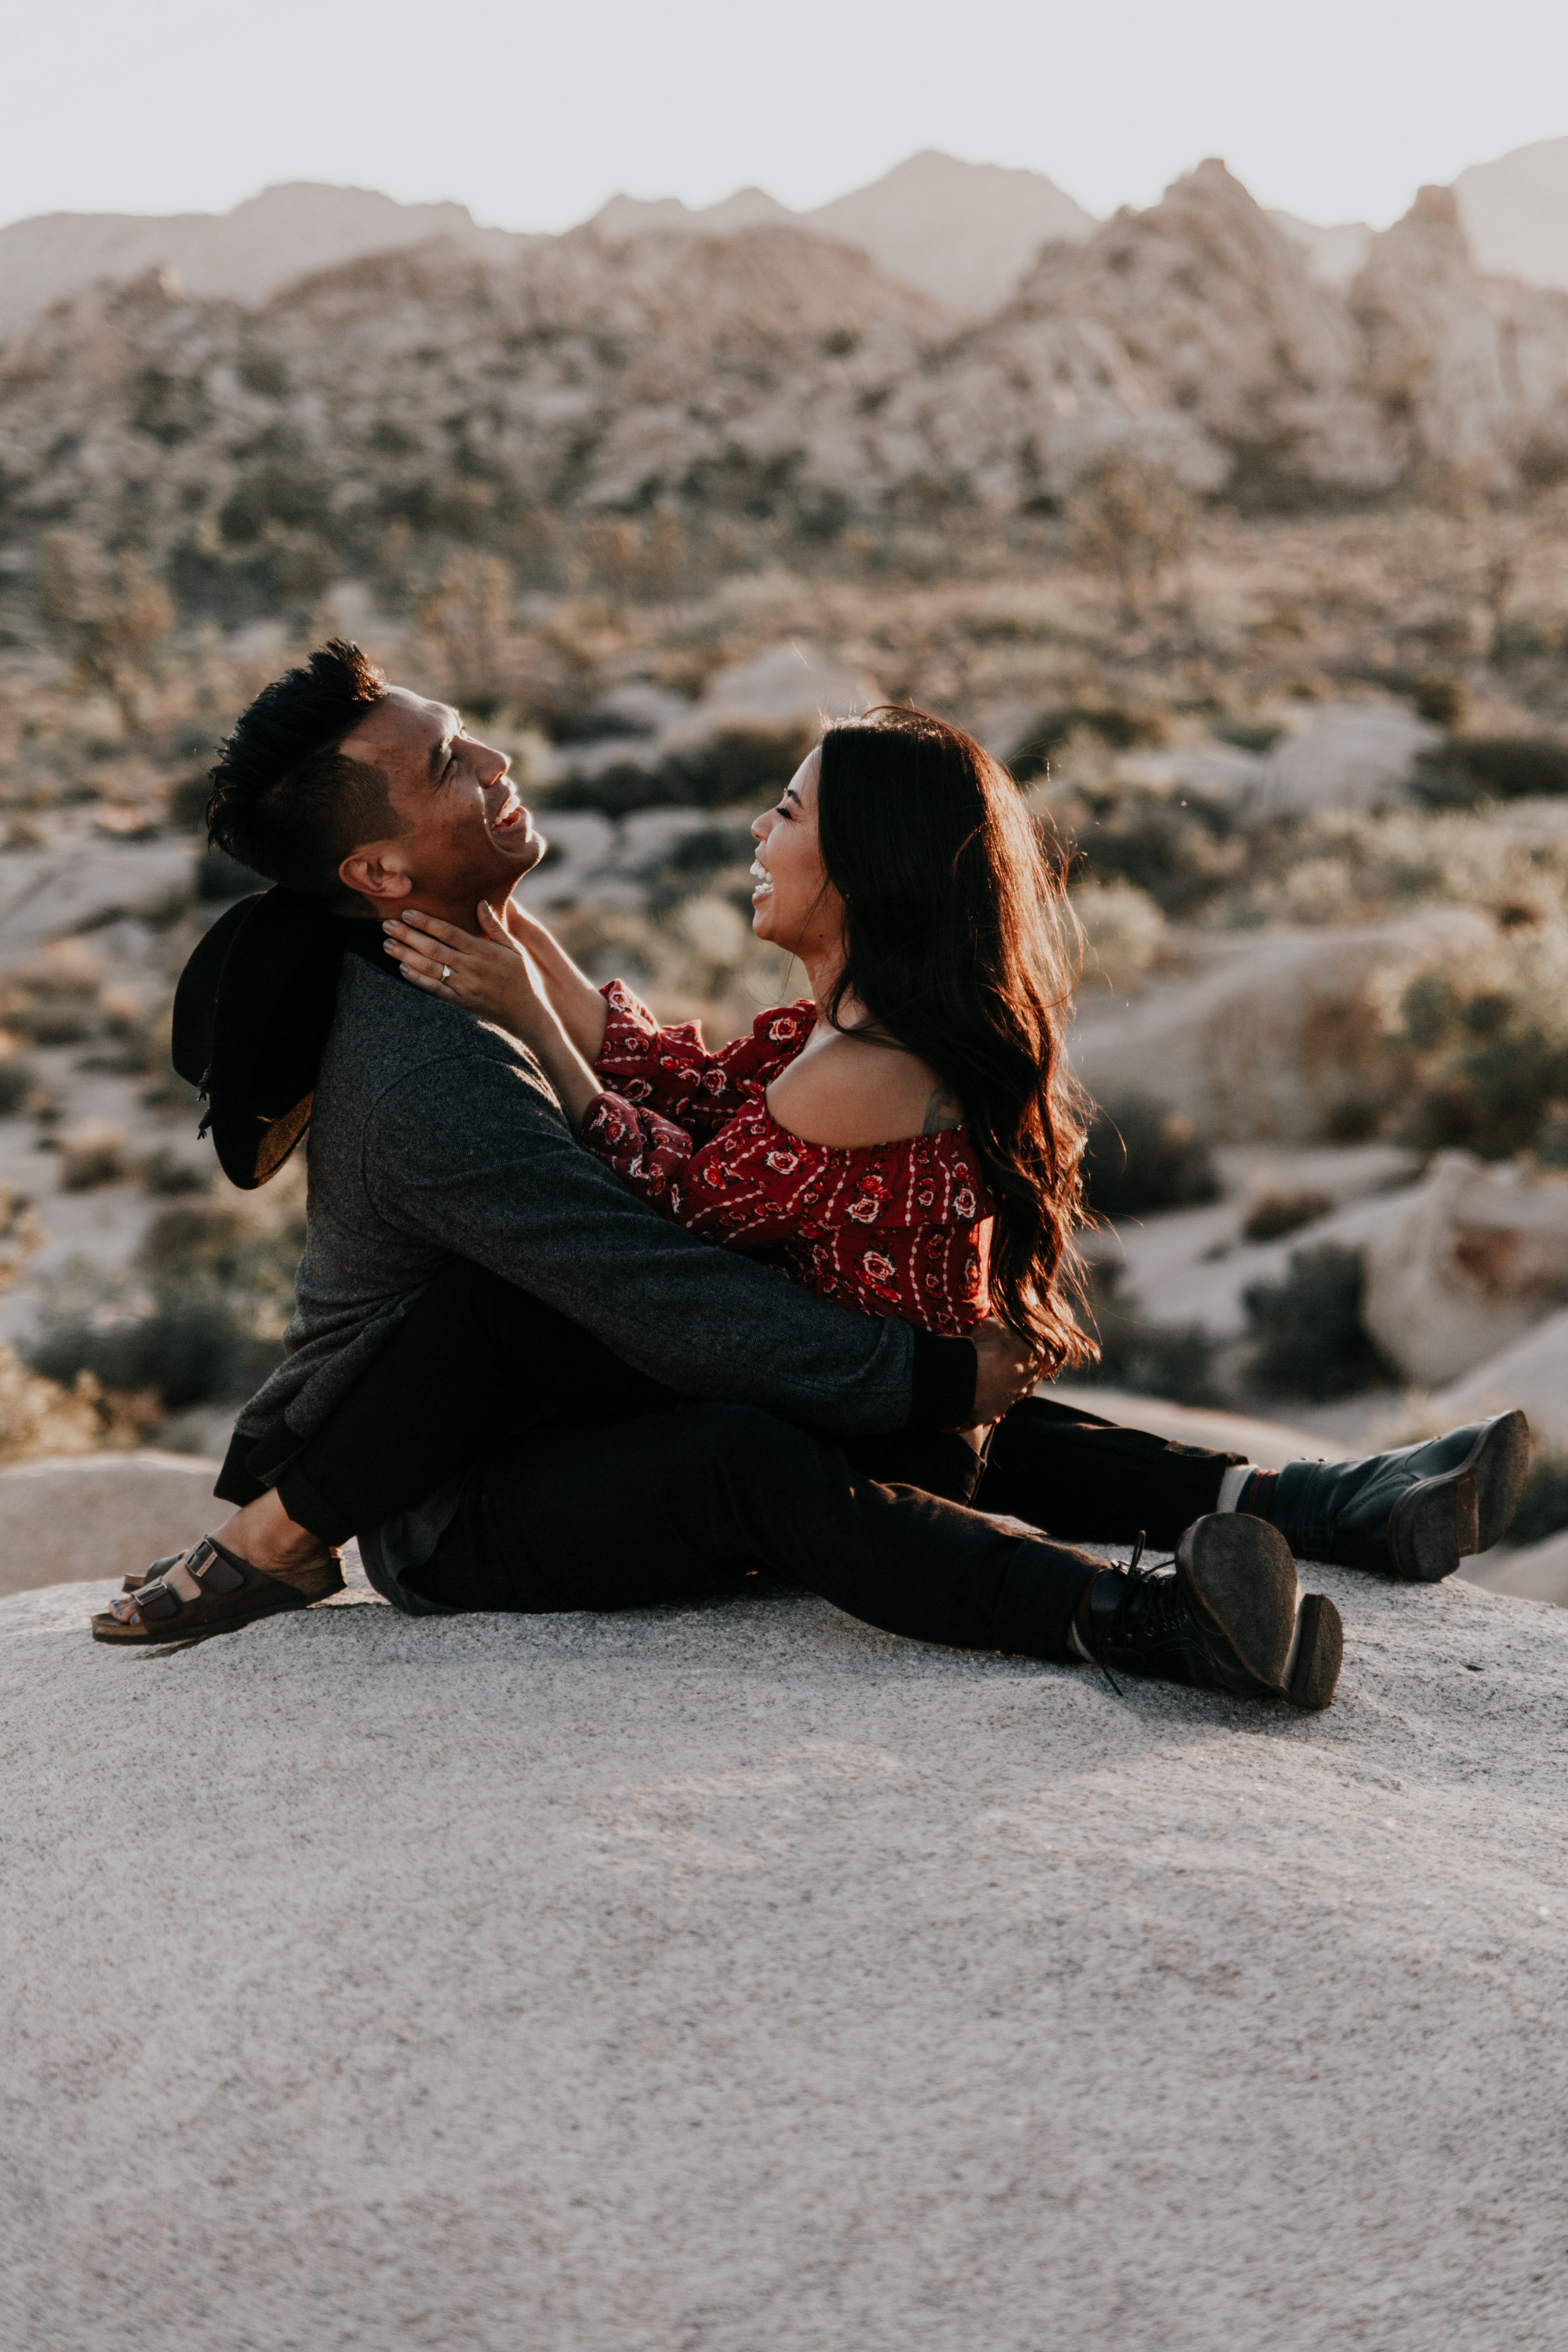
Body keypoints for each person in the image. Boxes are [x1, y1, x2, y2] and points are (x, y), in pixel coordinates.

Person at [92, 644, 1525, 1705]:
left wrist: (918, 1372)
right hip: (446, 1492)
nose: (497, 768)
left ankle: (1313, 1506)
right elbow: (660, 1275)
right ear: (383, 879)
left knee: (856, 1351)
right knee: (780, 1423)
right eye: (449, 770)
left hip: (563, 1402)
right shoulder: (431, 1068)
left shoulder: (468, 964)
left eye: (469, 737)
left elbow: (670, 1096)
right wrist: (918, 1383)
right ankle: (1143, 1622)